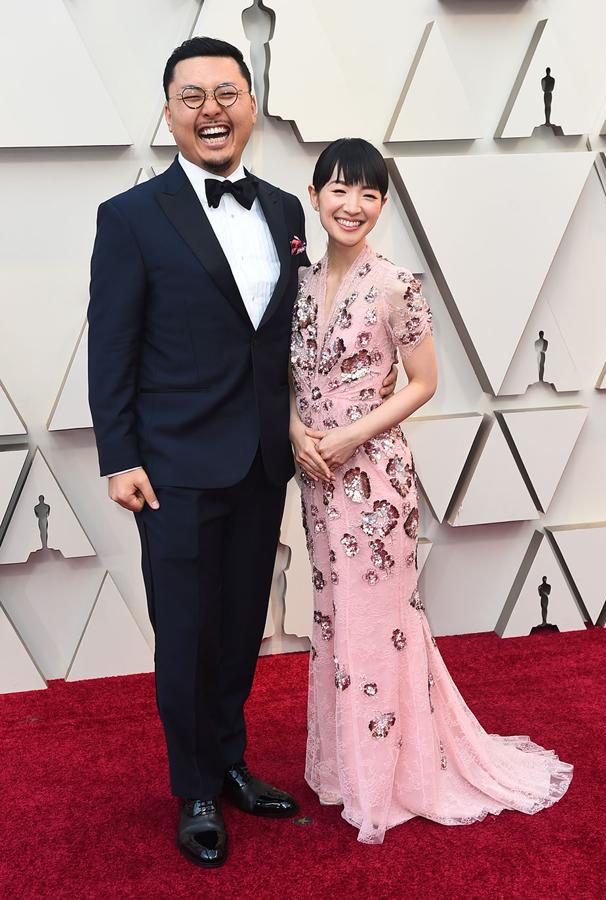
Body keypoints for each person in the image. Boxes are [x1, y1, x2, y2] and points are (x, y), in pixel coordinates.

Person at [88, 36, 396, 868]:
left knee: (236, 629)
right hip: (174, 468)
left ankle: (229, 763)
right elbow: (111, 345)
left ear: (253, 106)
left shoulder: (287, 212)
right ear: (168, 113)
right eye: (192, 97)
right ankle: (191, 787)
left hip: (265, 460)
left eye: (227, 93)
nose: (211, 110)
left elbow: (287, 338)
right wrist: (120, 456)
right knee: (185, 631)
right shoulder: (129, 218)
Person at [289, 137, 573, 844]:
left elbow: (424, 383)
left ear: (382, 204)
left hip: (374, 480)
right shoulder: (296, 281)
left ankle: (394, 773)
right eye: (339, 190)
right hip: (315, 478)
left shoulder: (396, 285)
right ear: (316, 192)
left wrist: (352, 436)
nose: (352, 205)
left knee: (378, 619)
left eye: (369, 193)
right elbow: (286, 377)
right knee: (332, 617)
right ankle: (347, 769)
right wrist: (297, 432)